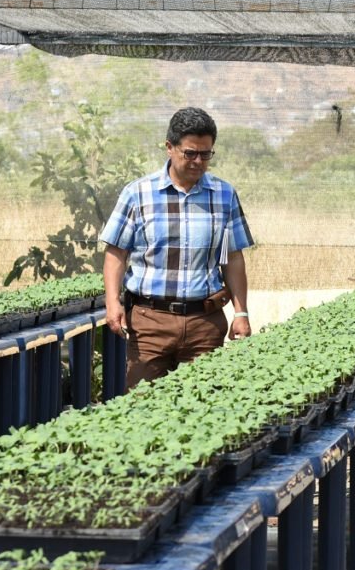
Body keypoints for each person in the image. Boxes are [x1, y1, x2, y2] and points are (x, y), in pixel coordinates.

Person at [101, 107, 254, 391]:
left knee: (204, 409)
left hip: (204, 323)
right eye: (190, 153)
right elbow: (116, 254)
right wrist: (112, 302)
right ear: (169, 147)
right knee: (142, 407)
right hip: (149, 323)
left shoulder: (224, 194)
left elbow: (232, 258)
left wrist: (241, 312)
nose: (198, 161)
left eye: (205, 154)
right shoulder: (138, 193)